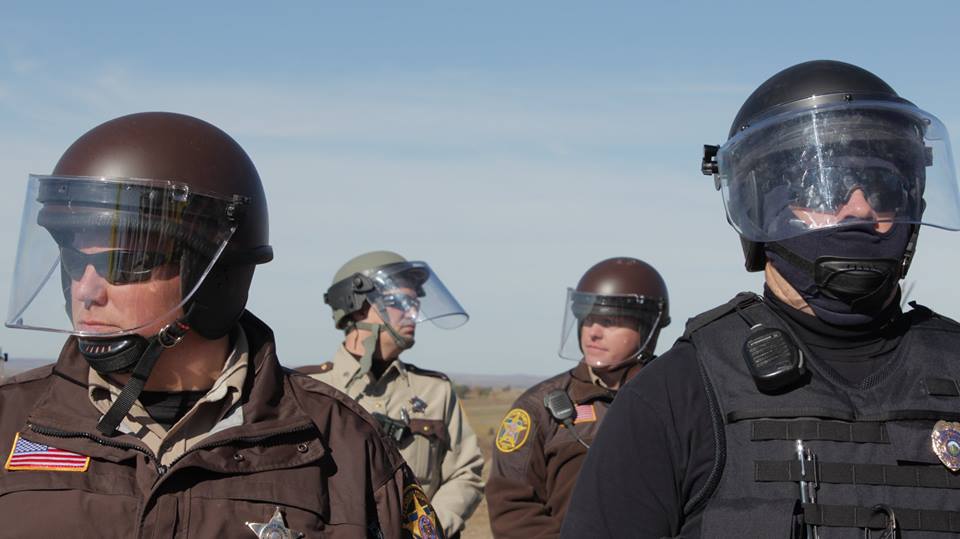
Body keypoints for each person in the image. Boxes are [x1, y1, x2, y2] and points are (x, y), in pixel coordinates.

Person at [561, 60, 960, 538]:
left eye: (881, 187)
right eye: (824, 186)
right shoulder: (675, 395)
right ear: (758, 208)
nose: (859, 209)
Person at [0, 112, 444, 538]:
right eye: (75, 260)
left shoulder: (341, 445)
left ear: (215, 275)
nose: (86, 290)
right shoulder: (11, 422)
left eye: (125, 262)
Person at [299, 250, 483, 537]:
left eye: (414, 302)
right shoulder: (307, 390)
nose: (413, 312)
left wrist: (427, 529)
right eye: (399, 302)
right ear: (357, 307)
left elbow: (465, 472)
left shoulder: (435, 390)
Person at [487, 257, 670, 538]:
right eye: (588, 319)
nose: (593, 333)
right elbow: (512, 509)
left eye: (609, 321)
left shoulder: (676, 400)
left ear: (647, 328)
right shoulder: (539, 408)